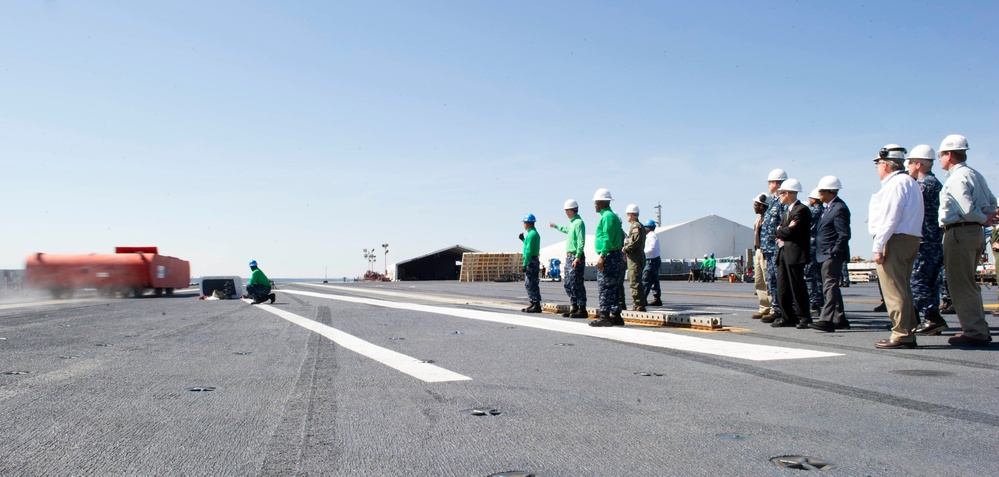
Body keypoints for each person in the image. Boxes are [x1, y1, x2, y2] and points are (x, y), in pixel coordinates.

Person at [937, 134, 997, 347]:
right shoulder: (975, 174)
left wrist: (982, 218)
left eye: (941, 155)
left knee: (960, 284)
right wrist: (988, 216)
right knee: (969, 283)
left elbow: (966, 209)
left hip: (959, 232)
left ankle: (974, 331)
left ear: (950, 154)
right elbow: (992, 200)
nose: (940, 159)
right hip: (975, 233)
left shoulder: (956, 178)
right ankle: (979, 328)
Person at [869, 145, 924, 349]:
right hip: (909, 239)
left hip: (895, 239)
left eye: (877, 165)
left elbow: (889, 218)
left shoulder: (895, 184)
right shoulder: (910, 182)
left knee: (893, 289)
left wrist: (878, 245)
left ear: (884, 164)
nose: (877, 169)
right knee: (903, 288)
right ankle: (907, 331)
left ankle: (901, 333)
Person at [906, 145, 948, 336]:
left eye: (910, 163)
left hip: (925, 240)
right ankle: (928, 319)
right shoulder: (935, 183)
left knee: (918, 279)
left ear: (919, 164)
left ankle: (932, 317)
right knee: (931, 281)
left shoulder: (923, 185)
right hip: (934, 239)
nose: (908, 167)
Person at [810, 176, 852, 332]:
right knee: (831, 286)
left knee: (829, 286)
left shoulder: (839, 208)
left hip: (831, 254)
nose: (819, 194)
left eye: (821, 191)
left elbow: (844, 234)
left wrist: (834, 251)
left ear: (829, 192)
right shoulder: (828, 208)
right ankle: (840, 318)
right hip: (825, 253)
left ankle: (826, 319)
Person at [771, 178, 812, 328]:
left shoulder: (801, 210)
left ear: (788, 193)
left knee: (797, 287)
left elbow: (792, 231)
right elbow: (781, 230)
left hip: (795, 254)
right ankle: (787, 316)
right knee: (783, 286)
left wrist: (783, 231)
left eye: (781, 194)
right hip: (783, 253)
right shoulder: (787, 213)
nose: (780, 196)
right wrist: (783, 230)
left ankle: (804, 317)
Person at [590, 188, 625, 327]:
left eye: (596, 202)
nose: (594, 205)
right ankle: (616, 315)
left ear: (601, 202)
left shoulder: (607, 217)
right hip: (614, 254)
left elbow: (607, 238)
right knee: (614, 286)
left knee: (605, 286)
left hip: (609, 255)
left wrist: (603, 255)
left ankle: (604, 316)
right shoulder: (611, 216)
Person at [550, 199, 588, 318]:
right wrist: (556, 226)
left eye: (567, 211)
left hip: (575, 257)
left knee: (577, 283)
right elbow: (567, 230)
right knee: (568, 283)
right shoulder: (573, 224)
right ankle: (575, 306)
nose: (566, 213)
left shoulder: (578, 223)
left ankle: (582, 308)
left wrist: (578, 257)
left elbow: (581, 241)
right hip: (569, 257)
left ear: (571, 210)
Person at [760, 168, 788, 322]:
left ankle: (785, 310)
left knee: (780, 280)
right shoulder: (773, 202)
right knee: (772, 280)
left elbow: (784, 222)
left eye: (770, 182)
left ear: (776, 183)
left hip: (777, 248)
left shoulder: (783, 202)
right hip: (769, 249)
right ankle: (776, 309)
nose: (769, 185)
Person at [751, 193, 773, 319]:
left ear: (763, 206)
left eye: (756, 204)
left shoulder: (769, 220)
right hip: (758, 251)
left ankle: (772, 307)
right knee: (759, 281)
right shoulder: (758, 220)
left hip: (766, 251)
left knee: (768, 279)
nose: (754, 207)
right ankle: (764, 307)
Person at [622, 204, 647, 311]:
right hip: (633, 257)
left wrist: (626, 249)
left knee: (634, 281)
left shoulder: (636, 227)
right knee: (633, 280)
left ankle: (638, 305)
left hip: (635, 258)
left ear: (631, 215)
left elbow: (635, 242)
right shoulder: (635, 226)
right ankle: (637, 304)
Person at [805, 188, 825, 313]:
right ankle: (821, 300)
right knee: (820, 277)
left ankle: (814, 303)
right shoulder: (824, 211)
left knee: (809, 276)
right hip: (821, 247)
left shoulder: (812, 212)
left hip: (811, 247)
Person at [519, 213, 542, 313]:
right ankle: (533, 302)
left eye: (524, 223)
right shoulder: (532, 234)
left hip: (531, 261)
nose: (524, 225)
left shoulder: (532, 234)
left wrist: (524, 264)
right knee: (530, 283)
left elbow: (528, 250)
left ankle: (536, 304)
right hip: (532, 260)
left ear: (527, 223)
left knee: (531, 283)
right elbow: (529, 246)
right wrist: (523, 239)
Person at [642, 219, 663, 306]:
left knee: (646, 280)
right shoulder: (653, 235)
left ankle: (642, 300)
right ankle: (657, 299)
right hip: (655, 259)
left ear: (648, 228)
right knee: (654, 280)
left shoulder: (651, 236)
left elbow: (651, 248)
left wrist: (642, 252)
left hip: (651, 260)